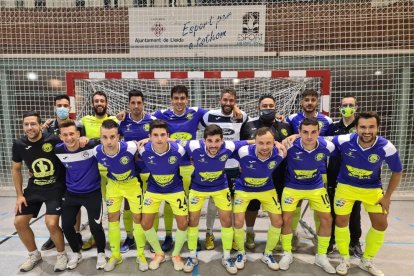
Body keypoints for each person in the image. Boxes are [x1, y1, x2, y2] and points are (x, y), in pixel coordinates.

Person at [332, 112, 402, 276]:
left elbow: (397, 171)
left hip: (372, 189)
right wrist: (292, 138)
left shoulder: (386, 147)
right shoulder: (344, 140)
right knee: (341, 221)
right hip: (346, 187)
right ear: (356, 128)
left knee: (381, 224)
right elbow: (320, 139)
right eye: (363, 127)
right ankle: (344, 259)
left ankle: (367, 260)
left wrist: (387, 197)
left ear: (377, 128)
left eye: (371, 127)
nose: (367, 131)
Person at [182, 124, 250, 274]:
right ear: (204, 140)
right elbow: (171, 141)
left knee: (226, 221)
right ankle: (192, 256)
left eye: (217, 141)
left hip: (220, 188)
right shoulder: (193, 145)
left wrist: (278, 142)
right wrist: (147, 139)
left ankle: (226, 257)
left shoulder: (229, 146)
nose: (213, 145)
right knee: (192, 221)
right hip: (198, 188)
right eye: (210, 141)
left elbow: (250, 142)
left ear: (222, 140)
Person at [152, 85, 207, 252]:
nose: (179, 101)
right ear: (171, 99)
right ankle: (168, 236)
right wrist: (120, 117)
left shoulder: (196, 112)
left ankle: (193, 236)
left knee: (191, 205)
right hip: (169, 166)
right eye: (176, 98)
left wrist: (236, 110)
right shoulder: (161, 114)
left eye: (182, 98)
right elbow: (141, 120)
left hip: (189, 166)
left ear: (187, 99)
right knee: (169, 204)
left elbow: (218, 116)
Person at [279, 117, 336, 274]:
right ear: (299, 132)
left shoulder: (327, 146)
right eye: (305, 132)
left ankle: (322, 256)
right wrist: (290, 137)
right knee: (287, 219)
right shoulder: (289, 145)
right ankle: (287, 252)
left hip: (316, 186)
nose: (309, 136)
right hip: (292, 186)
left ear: (319, 132)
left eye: (313, 132)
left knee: (327, 218)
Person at [12, 111, 68, 272]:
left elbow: (67, 156)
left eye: (33, 124)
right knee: (19, 222)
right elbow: (16, 169)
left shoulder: (53, 140)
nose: (30, 127)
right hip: (34, 188)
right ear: (23, 127)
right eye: (26, 124)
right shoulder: (19, 144)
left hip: (55, 188)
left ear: (40, 126)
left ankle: (61, 255)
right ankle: (34, 254)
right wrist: (19, 196)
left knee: (51, 223)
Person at [93, 119, 147, 272]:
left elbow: (150, 145)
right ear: (100, 137)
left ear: (118, 136)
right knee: (112, 218)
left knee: (138, 218)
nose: (109, 141)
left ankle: (141, 254)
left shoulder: (130, 147)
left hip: (132, 185)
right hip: (113, 185)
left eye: (112, 137)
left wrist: (149, 138)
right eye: (105, 137)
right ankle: (116, 255)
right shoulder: (96, 150)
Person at [240, 94, 292, 249]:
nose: (268, 109)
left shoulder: (286, 127)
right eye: (264, 106)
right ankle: (250, 232)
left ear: (275, 107)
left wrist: (295, 134)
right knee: (252, 206)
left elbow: (296, 142)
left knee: (277, 209)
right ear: (258, 108)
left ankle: (277, 237)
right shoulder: (249, 126)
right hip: (255, 175)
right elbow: (242, 147)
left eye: (271, 106)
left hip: (279, 174)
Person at [199, 87, 248, 250]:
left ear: (235, 102)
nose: (228, 103)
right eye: (225, 100)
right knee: (213, 204)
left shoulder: (242, 116)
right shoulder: (208, 116)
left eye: (231, 100)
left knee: (232, 204)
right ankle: (209, 233)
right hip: (215, 166)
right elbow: (197, 131)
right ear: (220, 100)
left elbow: (254, 130)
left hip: (234, 167)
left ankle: (233, 234)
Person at [54, 120, 107, 270]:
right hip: (72, 194)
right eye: (65, 135)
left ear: (78, 134)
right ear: (60, 137)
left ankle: (101, 253)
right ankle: (76, 253)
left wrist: (89, 139)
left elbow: (105, 140)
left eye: (72, 134)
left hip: (92, 193)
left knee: (95, 226)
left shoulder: (90, 146)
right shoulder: (58, 150)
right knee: (66, 225)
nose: (69, 138)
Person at [137, 119, 188, 271]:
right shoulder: (143, 149)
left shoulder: (178, 149)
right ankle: (159, 254)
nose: (159, 139)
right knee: (145, 223)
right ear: (149, 136)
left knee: (183, 223)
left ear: (168, 136)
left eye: (163, 135)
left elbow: (196, 144)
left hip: (175, 189)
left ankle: (176, 254)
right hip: (154, 189)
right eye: (155, 135)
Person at [232, 127, 286, 271]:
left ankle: (268, 253)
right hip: (244, 189)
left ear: (274, 142)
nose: (264, 147)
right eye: (260, 143)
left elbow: (300, 140)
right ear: (254, 142)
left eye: (268, 143)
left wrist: (280, 143)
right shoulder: (243, 152)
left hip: (267, 189)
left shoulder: (280, 153)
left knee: (278, 221)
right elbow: (225, 147)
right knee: (237, 220)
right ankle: (240, 253)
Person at [286, 89, 333, 246]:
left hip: (320, 170)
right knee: (295, 205)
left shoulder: (327, 120)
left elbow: (329, 142)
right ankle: (292, 234)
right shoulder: (292, 118)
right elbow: (287, 137)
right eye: (306, 100)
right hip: (296, 170)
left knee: (320, 208)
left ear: (317, 102)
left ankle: (320, 238)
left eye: (313, 99)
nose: (310, 102)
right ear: (301, 102)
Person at [41, 94, 85, 251]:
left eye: (65, 105)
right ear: (54, 107)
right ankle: (54, 235)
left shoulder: (78, 125)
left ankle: (77, 233)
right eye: (59, 105)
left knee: (74, 204)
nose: (62, 108)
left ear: (70, 108)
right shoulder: (47, 128)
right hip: (54, 172)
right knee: (53, 204)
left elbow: (83, 143)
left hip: (72, 171)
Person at [118, 89, 156, 253]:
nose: (136, 106)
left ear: (143, 104)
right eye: (133, 103)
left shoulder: (152, 120)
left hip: (149, 169)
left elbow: (161, 137)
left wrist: (148, 139)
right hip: (130, 170)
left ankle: (151, 237)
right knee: (128, 205)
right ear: (128, 104)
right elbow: (112, 138)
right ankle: (130, 237)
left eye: (139, 103)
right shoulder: (122, 122)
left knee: (150, 205)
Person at [80, 91, 118, 251]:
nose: (99, 103)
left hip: (113, 171)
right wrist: (49, 124)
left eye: (102, 100)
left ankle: (123, 237)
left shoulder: (115, 120)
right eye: (96, 101)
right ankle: (97, 236)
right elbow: (68, 132)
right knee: (97, 208)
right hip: (93, 172)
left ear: (107, 103)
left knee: (114, 208)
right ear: (92, 103)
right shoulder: (84, 121)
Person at [326, 95, 362, 257]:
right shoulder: (332, 127)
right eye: (344, 105)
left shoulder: (362, 126)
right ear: (339, 108)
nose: (347, 107)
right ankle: (331, 240)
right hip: (334, 174)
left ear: (356, 107)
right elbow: (317, 139)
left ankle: (354, 242)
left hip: (354, 176)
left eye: (350, 105)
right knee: (333, 210)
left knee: (354, 211)